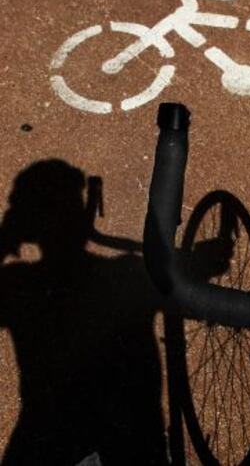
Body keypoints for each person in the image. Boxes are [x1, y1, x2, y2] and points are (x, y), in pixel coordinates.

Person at [0, 159, 168, 465]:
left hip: (46, 441)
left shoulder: (16, 286)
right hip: (131, 444)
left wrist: (4, 238)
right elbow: (195, 279)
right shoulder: (128, 274)